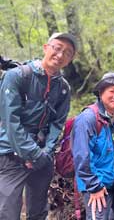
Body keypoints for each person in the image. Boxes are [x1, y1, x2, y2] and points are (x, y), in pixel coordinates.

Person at [0, 32, 77, 220]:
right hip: (11, 155)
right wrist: (32, 153)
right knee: (7, 212)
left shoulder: (63, 87)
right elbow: (11, 120)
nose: (60, 55)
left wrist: (45, 152)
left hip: (43, 157)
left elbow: (57, 123)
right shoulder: (17, 76)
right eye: (57, 48)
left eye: (67, 53)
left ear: (70, 60)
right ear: (46, 48)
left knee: (38, 211)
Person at [72, 72, 114, 220]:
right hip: (97, 187)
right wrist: (94, 186)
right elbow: (81, 156)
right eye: (112, 91)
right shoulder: (88, 118)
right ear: (101, 93)